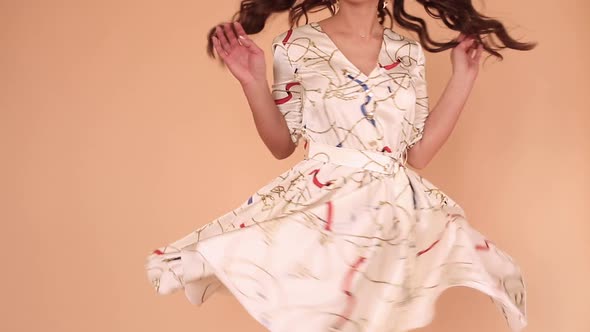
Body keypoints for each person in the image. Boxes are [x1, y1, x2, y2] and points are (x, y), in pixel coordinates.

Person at [146, 0, 535, 331]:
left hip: (390, 214)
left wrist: (463, 79)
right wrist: (252, 82)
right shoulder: (296, 45)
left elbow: (417, 155)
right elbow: (282, 145)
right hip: (325, 210)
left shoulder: (407, 52)